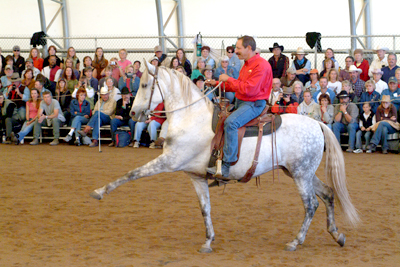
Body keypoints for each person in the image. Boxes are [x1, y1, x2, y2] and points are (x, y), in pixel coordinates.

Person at [206, 35, 272, 178]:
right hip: (242, 101)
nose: (236, 51)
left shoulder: (261, 65)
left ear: (249, 48)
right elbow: (239, 87)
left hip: (254, 104)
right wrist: (218, 84)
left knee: (231, 123)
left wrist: (228, 79)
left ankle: (226, 165)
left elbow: (250, 89)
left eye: (238, 48)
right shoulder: (247, 64)